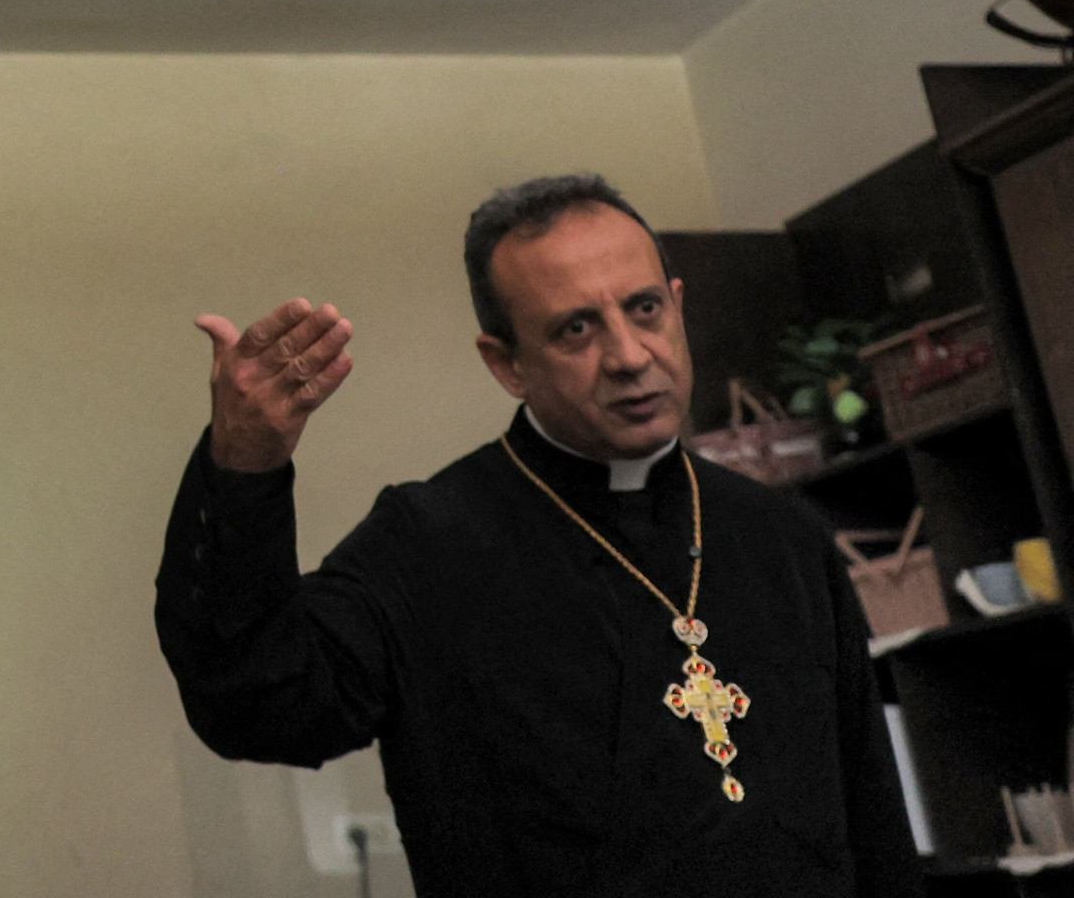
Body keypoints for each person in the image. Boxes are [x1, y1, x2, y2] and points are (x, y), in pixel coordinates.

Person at [154, 174, 918, 898]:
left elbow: (874, 815)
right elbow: (259, 704)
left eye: (645, 309)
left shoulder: (781, 535)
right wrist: (244, 464)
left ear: (678, 309)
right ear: (507, 364)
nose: (627, 356)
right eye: (576, 329)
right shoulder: (427, 544)